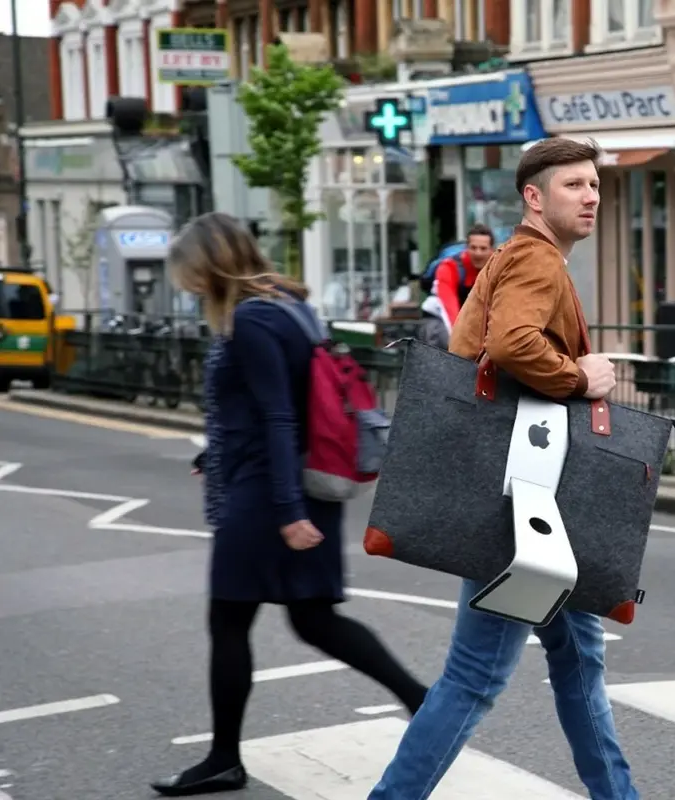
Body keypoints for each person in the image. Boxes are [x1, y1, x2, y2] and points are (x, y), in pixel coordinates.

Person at [368, 139, 632, 800]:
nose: (591, 195)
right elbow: (513, 344)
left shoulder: (525, 257)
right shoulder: (537, 260)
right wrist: (581, 375)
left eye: (594, 184)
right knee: (476, 675)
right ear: (535, 198)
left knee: (578, 662)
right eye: (574, 184)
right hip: (519, 502)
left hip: (523, 495)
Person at [150, 212, 428, 797]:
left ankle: (224, 759)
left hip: (270, 494)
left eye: (191, 273)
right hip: (295, 482)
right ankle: (422, 704)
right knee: (312, 618)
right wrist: (217, 454)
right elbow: (275, 406)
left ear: (212, 262)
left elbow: (280, 413)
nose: (190, 286)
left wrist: (285, 512)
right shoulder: (289, 304)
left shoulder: (251, 318)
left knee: (229, 620)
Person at [417, 224, 494, 349]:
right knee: (444, 340)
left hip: (472, 319)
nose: (478, 253)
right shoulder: (449, 267)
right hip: (440, 319)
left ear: (491, 250)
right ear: (466, 248)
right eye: (473, 248)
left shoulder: (497, 267)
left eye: (483, 248)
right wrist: (459, 345)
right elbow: (449, 309)